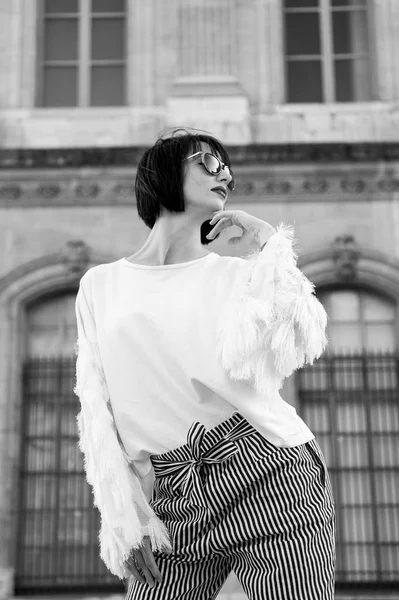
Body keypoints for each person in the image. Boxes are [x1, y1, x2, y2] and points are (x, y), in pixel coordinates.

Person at [73, 128, 336, 600]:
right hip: (173, 496)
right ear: (166, 172)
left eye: (228, 171)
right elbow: (98, 410)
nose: (225, 176)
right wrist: (125, 519)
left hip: (269, 475)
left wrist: (267, 243)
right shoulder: (100, 285)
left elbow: (303, 335)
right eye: (210, 164)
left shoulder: (236, 276)